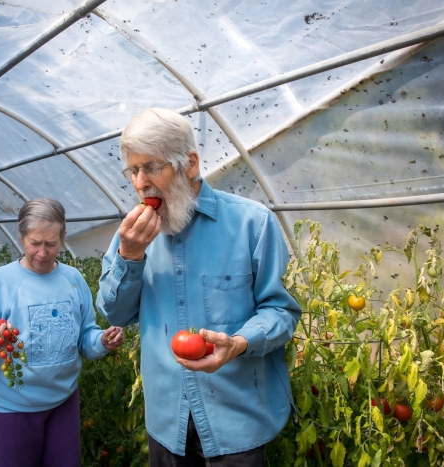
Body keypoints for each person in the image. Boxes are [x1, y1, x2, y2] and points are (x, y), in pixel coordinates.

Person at [96, 108, 302, 466]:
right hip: (165, 420)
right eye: (133, 170)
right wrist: (129, 256)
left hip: (236, 420)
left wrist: (238, 343)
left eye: (151, 167)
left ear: (190, 164)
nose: (140, 182)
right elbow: (115, 312)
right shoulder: (131, 235)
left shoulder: (252, 224)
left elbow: (280, 311)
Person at [0, 198, 125, 467]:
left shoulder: (73, 279)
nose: (42, 253)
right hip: (13, 408)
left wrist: (102, 341)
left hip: (63, 402)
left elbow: (85, 338)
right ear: (21, 236)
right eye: (35, 243)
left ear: (63, 236)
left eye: (51, 244)